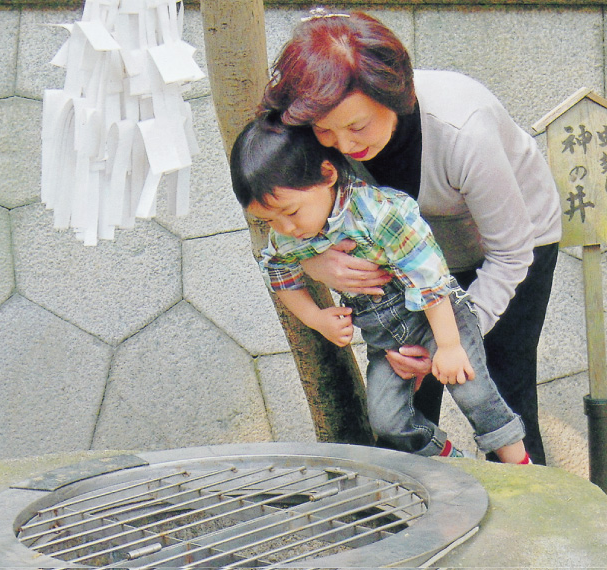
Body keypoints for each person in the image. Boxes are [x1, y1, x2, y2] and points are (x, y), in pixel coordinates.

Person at [259, 9, 561, 464]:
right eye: (325, 132)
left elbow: (511, 253)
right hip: (405, 262)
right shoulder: (317, 134)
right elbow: (288, 212)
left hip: (503, 250)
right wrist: (311, 261)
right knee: (404, 404)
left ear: (398, 94)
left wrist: (449, 339)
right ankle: (434, 511)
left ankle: (540, 518)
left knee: (498, 386)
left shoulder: (464, 130)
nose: (343, 145)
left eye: (358, 126)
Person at [230, 113, 532, 464]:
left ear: (328, 175)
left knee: (472, 391)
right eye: (269, 220)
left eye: (291, 212)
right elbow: (276, 269)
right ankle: (453, 462)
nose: (284, 227)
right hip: (386, 340)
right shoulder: (290, 235)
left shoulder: (379, 213)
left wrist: (448, 346)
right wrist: (316, 318)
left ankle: (522, 469)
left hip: (437, 316)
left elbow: (429, 276)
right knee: (386, 419)